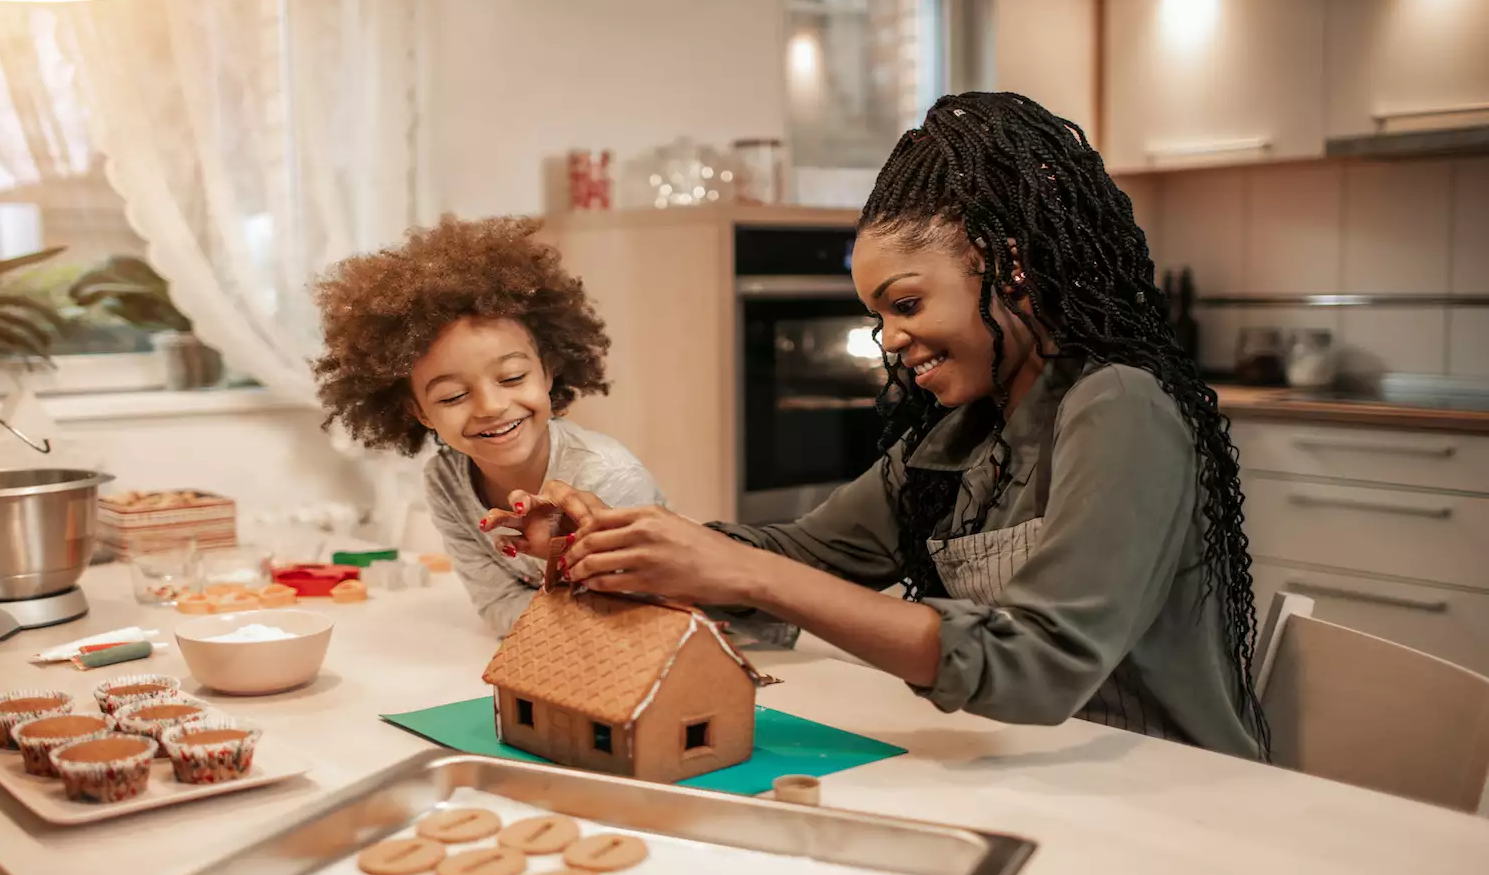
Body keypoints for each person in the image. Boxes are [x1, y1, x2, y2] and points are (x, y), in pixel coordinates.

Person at [488, 92, 1268, 760]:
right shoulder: (959, 439)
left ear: (1012, 266)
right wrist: (627, 544)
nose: (889, 338)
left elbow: (1038, 665)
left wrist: (747, 573)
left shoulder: (1119, 405)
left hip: (1169, 790)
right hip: (1033, 767)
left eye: (906, 304)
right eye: (879, 315)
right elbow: (801, 553)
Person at [310, 215, 665, 636]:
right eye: (453, 397)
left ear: (548, 373)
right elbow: (496, 605)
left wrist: (546, 620)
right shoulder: (445, 481)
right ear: (420, 411)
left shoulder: (608, 477)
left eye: (513, 377)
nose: (491, 407)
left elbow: (627, 617)